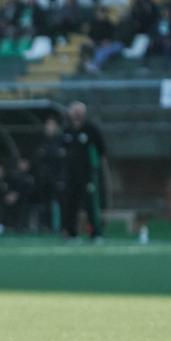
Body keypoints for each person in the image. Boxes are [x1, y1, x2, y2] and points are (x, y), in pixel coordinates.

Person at [61, 102, 107, 241]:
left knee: (90, 205)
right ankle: (71, 233)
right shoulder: (67, 130)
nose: (76, 115)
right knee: (71, 204)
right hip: (70, 174)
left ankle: (95, 234)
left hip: (87, 174)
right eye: (74, 111)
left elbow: (101, 149)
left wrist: (98, 167)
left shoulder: (90, 129)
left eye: (79, 112)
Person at [35, 117, 66, 232]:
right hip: (45, 178)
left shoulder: (61, 140)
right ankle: (45, 226)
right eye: (47, 125)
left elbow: (60, 157)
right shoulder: (42, 140)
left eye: (51, 125)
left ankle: (63, 226)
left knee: (61, 203)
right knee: (44, 203)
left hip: (58, 178)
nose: (48, 127)